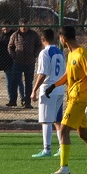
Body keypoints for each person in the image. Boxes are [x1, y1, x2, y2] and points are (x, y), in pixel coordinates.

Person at [51, 25, 87, 174]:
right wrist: (53, 85)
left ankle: (64, 168)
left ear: (63, 38)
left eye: (60, 38)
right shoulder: (70, 54)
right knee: (83, 133)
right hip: (72, 97)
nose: (60, 41)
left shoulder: (82, 54)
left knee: (63, 129)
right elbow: (67, 75)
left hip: (79, 99)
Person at [30, 27, 67, 159]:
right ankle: (62, 148)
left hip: (48, 89)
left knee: (46, 120)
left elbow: (43, 73)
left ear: (42, 39)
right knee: (57, 120)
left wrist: (34, 90)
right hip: (59, 88)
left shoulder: (44, 53)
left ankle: (47, 149)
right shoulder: (60, 52)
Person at [8, 23, 41, 109]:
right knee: (14, 81)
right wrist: (13, 55)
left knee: (29, 83)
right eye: (22, 25)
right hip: (17, 62)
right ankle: (12, 100)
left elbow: (39, 45)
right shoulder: (15, 35)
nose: (24, 27)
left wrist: (35, 54)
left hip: (30, 62)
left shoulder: (33, 34)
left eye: (26, 25)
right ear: (19, 26)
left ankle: (27, 102)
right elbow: (10, 46)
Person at [0, 23, 15, 104]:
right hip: (5, 62)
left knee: (18, 81)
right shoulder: (0, 38)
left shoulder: (14, 35)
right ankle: (11, 99)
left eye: (7, 26)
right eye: (4, 27)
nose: (6, 28)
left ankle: (23, 98)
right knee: (9, 82)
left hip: (14, 61)